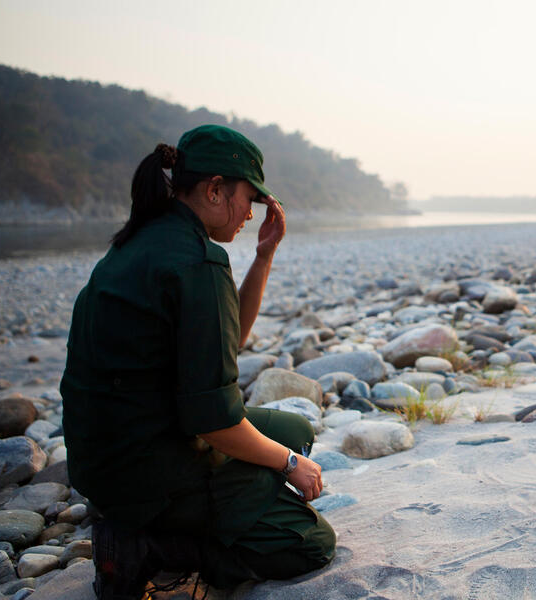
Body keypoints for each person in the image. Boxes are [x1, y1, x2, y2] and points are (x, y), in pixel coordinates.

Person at [61, 124, 336, 598]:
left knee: (297, 429)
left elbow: (226, 346)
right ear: (214, 190)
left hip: (104, 461)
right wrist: (289, 465)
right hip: (153, 469)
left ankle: (152, 520)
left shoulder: (141, 240)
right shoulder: (195, 261)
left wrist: (263, 257)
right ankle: (153, 548)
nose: (251, 214)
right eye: (248, 198)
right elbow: (214, 422)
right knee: (309, 541)